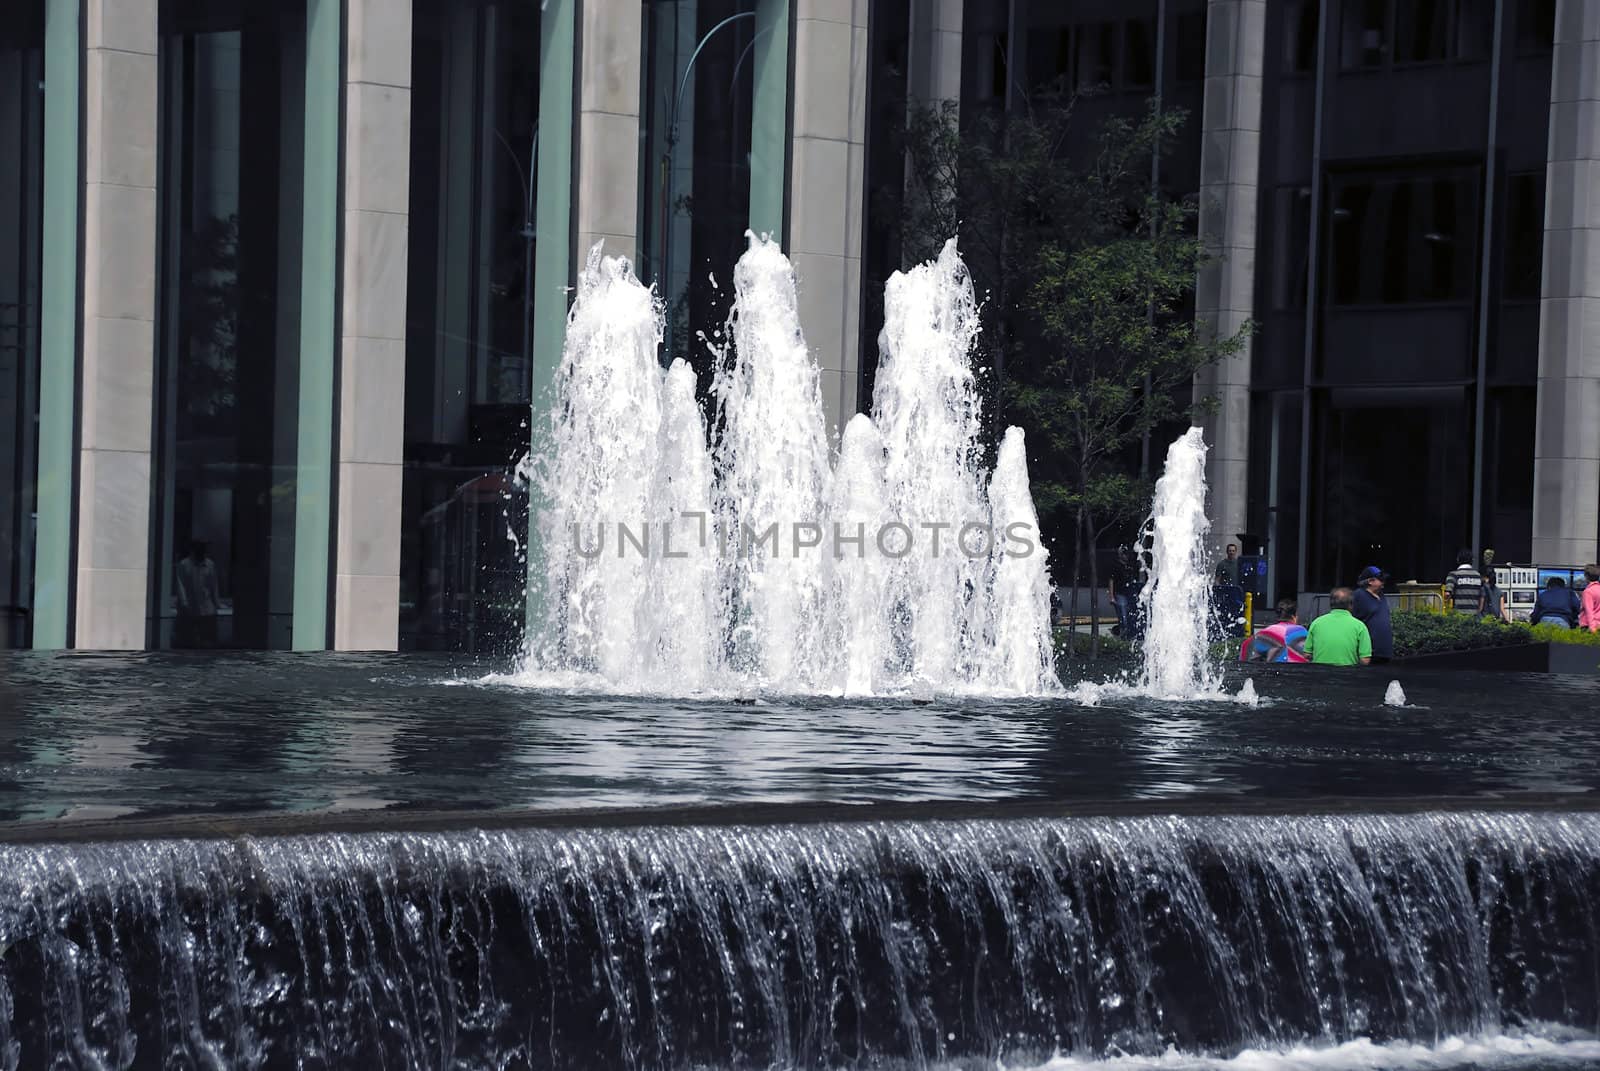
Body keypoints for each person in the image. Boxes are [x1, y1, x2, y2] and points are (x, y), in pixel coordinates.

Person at [1305, 587, 1372, 666]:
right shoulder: (1360, 626)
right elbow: (1365, 660)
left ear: (1330, 604)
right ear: (1351, 605)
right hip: (1348, 674)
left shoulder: (1316, 623)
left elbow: (1307, 654)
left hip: (1320, 674)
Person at [175, 538, 221, 648]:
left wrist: (216, 603)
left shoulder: (210, 564)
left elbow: (214, 585)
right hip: (190, 608)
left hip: (207, 608)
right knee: (189, 640)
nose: (203, 551)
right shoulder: (184, 564)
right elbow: (180, 585)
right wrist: (184, 603)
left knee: (207, 639)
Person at [1239, 598, 1309, 663]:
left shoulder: (1267, 633)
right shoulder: (1302, 632)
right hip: (1299, 674)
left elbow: (1246, 646)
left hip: (1274, 673)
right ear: (1294, 616)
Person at [1351, 566, 1393, 664]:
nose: (1383, 582)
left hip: (1385, 652)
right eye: (1381, 580)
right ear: (1370, 581)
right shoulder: (1358, 595)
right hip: (1370, 652)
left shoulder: (1381, 595)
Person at [1107, 546, 1141, 638]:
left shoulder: (1128, 567)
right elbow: (1111, 581)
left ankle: (1124, 633)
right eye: (1124, 554)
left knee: (1128, 616)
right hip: (1120, 594)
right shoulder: (1116, 566)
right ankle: (1122, 634)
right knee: (1123, 616)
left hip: (1129, 594)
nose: (1126, 556)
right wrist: (1111, 596)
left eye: (1126, 554)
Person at [1444, 548, 1485, 616]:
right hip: (1474, 615)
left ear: (1458, 560)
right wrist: (1478, 612)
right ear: (1472, 560)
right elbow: (1482, 597)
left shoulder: (1453, 575)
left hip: (1459, 616)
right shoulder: (1478, 576)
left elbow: (1447, 594)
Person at [1582, 564, 1600, 632]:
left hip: (1589, 627)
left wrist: (1592, 629)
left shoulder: (1588, 592)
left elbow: (1589, 611)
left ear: (1586, 576)